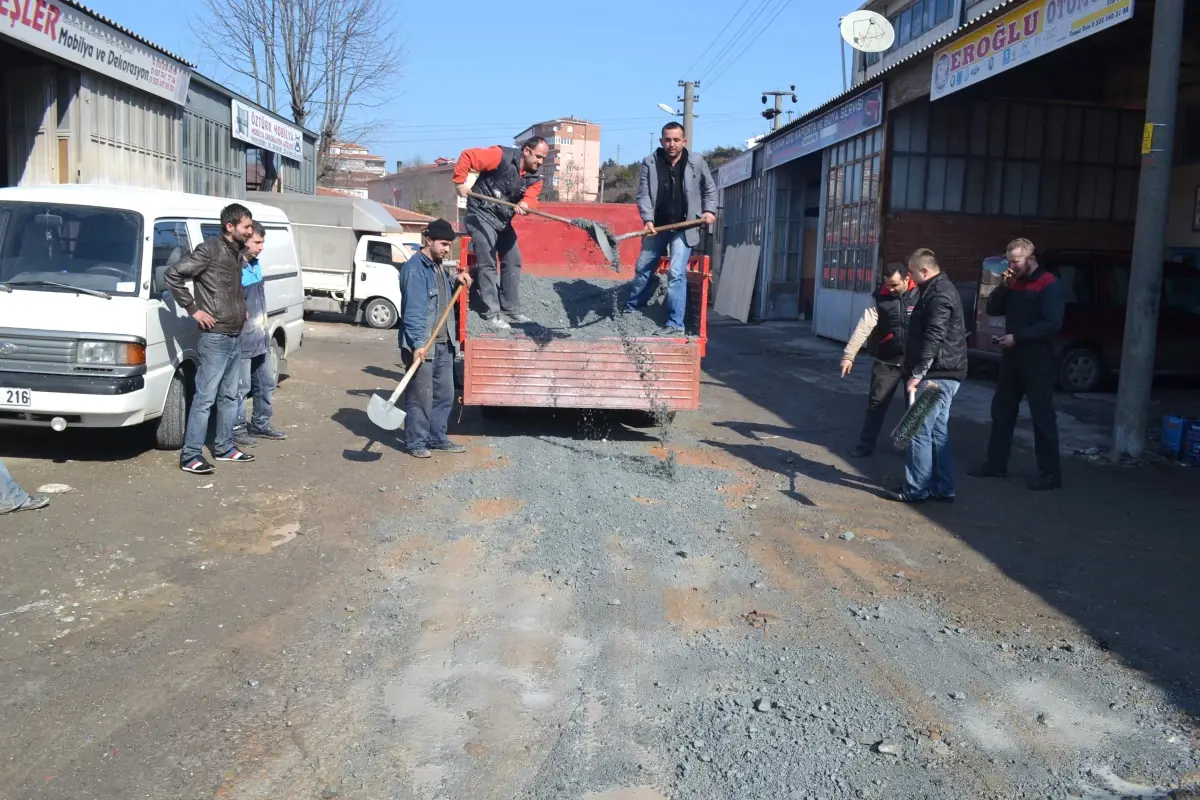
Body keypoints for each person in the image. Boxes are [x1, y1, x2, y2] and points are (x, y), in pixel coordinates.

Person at [165, 203, 257, 475]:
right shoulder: (209, 250)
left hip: (235, 334)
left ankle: (225, 447)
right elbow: (173, 274)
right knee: (205, 397)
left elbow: (229, 288)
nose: (250, 232)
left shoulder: (236, 253)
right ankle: (191, 455)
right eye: (246, 227)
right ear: (230, 227)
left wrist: (241, 307)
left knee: (230, 395)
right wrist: (193, 309)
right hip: (215, 337)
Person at [969, 238, 1065, 490]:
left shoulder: (1049, 284)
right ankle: (996, 464)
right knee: (1002, 411)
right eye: (1009, 261)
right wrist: (1003, 286)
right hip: (1012, 358)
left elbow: (1052, 323)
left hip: (1038, 359)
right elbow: (993, 308)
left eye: (1016, 261)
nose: (1011, 265)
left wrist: (1019, 337)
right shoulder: (1014, 283)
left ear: (1031, 258)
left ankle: (1050, 473)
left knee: (1042, 416)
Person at [889, 248, 968, 504]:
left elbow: (935, 334)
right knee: (937, 432)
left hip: (936, 375)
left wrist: (918, 372)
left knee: (918, 430)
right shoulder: (937, 291)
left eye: (911, 272)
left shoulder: (939, 294)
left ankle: (917, 489)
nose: (909, 277)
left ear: (925, 271)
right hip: (945, 372)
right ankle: (943, 487)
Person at [626, 122, 717, 336]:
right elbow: (643, 194)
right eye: (667, 140)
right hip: (656, 226)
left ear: (684, 141)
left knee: (676, 272)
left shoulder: (696, 161)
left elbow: (710, 189)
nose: (671, 144)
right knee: (644, 267)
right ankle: (632, 306)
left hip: (684, 227)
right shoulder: (650, 162)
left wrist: (709, 211)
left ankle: (675, 323)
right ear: (661, 141)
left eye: (676, 140)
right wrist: (648, 220)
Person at [453, 137, 549, 330]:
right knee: (488, 260)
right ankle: (493, 313)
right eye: (538, 156)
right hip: (479, 214)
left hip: (501, 221)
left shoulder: (534, 178)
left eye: (543, 158)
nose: (540, 162)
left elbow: (531, 198)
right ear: (526, 151)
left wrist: (526, 204)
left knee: (513, 259)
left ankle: (511, 307)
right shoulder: (500, 156)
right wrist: (459, 182)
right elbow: (468, 156)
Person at [398, 218, 473, 459]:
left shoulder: (437, 266)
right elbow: (414, 312)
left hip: (444, 342)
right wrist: (418, 345)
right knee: (421, 397)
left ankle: (437, 437)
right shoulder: (415, 270)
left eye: (449, 244)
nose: (447, 249)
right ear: (428, 240)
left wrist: (456, 282)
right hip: (424, 346)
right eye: (443, 243)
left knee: (444, 396)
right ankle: (416, 442)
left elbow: (440, 297)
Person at [840, 264, 919, 457]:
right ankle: (865, 446)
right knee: (876, 405)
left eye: (894, 285)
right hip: (887, 360)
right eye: (887, 284)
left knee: (916, 409)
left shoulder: (921, 295)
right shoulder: (879, 297)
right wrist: (849, 355)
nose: (890, 289)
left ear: (907, 279)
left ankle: (914, 450)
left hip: (915, 363)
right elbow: (864, 326)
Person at [232, 222, 286, 448]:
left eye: (263, 242)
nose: (261, 247)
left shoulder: (255, 264)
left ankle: (261, 423)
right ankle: (236, 429)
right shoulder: (236, 267)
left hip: (260, 337)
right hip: (243, 339)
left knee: (266, 382)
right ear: (244, 240)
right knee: (240, 388)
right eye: (257, 242)